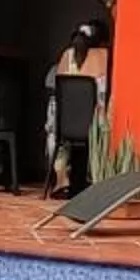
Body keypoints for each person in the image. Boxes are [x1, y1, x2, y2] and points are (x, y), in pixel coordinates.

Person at [46, 20, 111, 196]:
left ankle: (61, 180)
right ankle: (94, 182)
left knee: (54, 126)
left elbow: (55, 90)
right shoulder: (105, 56)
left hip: (65, 126)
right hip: (93, 126)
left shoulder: (68, 55)